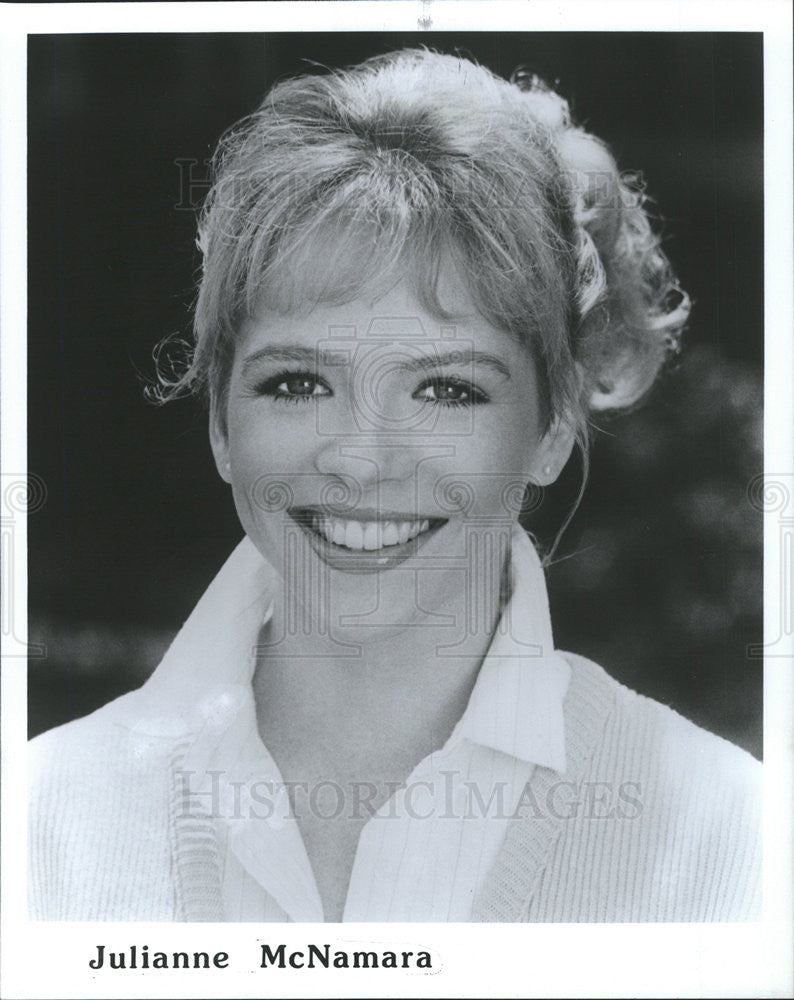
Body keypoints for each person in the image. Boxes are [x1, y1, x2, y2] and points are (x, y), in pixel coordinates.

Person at [29, 48, 761, 922]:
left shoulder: (731, 845)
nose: (362, 459)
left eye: (447, 389)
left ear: (553, 426)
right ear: (223, 419)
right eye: (297, 383)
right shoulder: (37, 826)